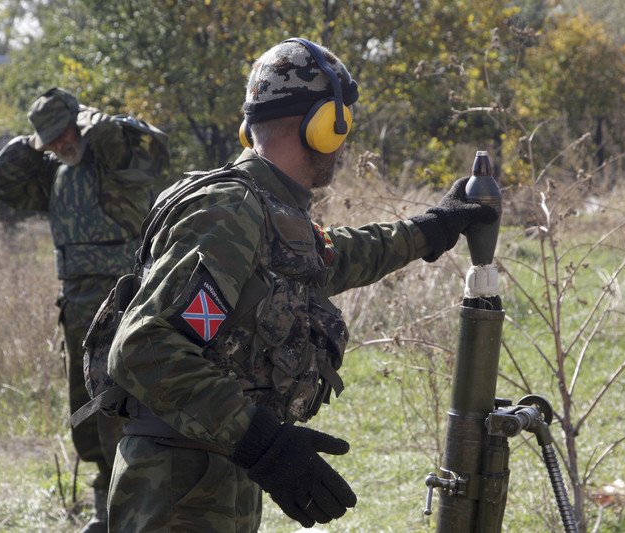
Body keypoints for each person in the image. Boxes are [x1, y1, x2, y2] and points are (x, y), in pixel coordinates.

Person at [106, 38, 498, 532]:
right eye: (345, 124)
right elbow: (144, 347)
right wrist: (263, 443)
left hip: (206, 474)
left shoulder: (267, 212)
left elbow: (334, 258)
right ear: (325, 125)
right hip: (177, 489)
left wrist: (432, 228)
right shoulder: (230, 211)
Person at [0, 87, 170, 533]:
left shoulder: (112, 154)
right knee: (86, 410)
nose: (58, 145)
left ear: (80, 121)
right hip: (76, 307)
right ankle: (107, 509)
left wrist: (84, 120)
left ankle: (139, 510)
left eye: (62, 134)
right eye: (48, 140)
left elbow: (130, 138)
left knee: (119, 406)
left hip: (122, 299)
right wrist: (34, 141)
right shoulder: (56, 172)